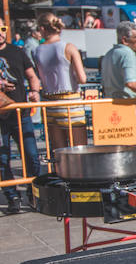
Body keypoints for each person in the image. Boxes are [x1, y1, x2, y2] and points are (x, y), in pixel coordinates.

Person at [0, 17, 42, 213]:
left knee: (32, 156)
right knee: (3, 159)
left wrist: (35, 91)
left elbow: (31, 75)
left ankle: (34, 195)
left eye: (3, 27)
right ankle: (12, 198)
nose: (1, 31)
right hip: (1, 118)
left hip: (20, 113)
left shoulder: (17, 51)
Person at [32, 13, 88, 151]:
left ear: (42, 28)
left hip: (49, 102)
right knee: (79, 148)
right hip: (71, 101)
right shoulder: (68, 47)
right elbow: (82, 78)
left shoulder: (36, 51)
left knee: (59, 150)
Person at [101, 22, 136, 133]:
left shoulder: (109, 54)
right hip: (130, 111)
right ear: (124, 40)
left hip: (114, 109)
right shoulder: (127, 54)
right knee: (133, 148)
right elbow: (130, 82)